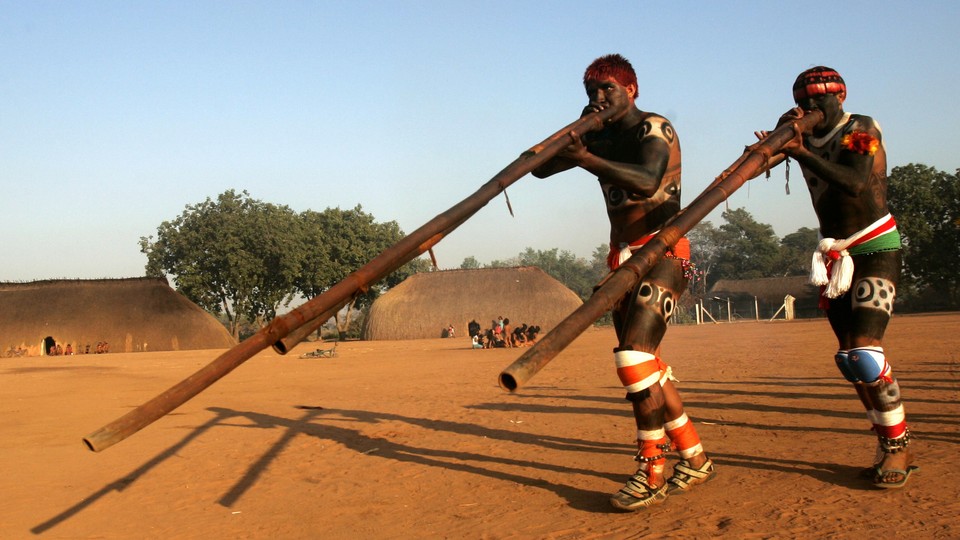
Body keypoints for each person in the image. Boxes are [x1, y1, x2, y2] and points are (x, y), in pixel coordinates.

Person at [533, 54, 712, 511]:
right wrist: (575, 131)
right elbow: (536, 167)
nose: (598, 98)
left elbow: (648, 181)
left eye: (607, 90)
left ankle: (651, 468)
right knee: (644, 365)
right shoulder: (599, 134)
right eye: (591, 91)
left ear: (632, 90)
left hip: (664, 250)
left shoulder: (654, 128)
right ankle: (693, 456)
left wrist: (587, 155)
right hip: (623, 259)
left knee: (634, 359)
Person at [759, 66, 916, 488]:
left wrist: (799, 150)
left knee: (867, 352)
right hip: (835, 253)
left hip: (874, 245)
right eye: (804, 101)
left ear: (840, 98)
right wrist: (774, 141)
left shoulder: (859, 128)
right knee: (851, 359)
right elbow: (764, 163)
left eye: (819, 100)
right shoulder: (801, 133)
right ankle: (886, 440)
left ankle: (899, 447)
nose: (811, 108)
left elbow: (855, 181)